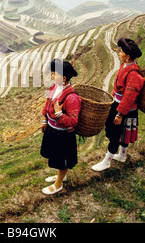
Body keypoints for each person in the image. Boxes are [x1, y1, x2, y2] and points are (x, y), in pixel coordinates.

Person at [91, 38, 144, 171]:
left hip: (124, 109)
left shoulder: (134, 74)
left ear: (127, 55)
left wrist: (120, 113)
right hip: (119, 105)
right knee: (122, 133)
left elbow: (129, 96)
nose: (119, 53)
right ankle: (122, 155)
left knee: (116, 134)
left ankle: (107, 160)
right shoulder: (126, 66)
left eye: (121, 51)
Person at [40, 59, 81, 195]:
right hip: (52, 130)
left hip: (62, 135)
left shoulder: (72, 98)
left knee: (62, 159)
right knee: (56, 157)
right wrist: (44, 120)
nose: (52, 76)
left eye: (54, 74)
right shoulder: (53, 88)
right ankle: (61, 176)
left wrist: (58, 113)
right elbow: (47, 103)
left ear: (63, 78)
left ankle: (58, 184)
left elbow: (73, 121)